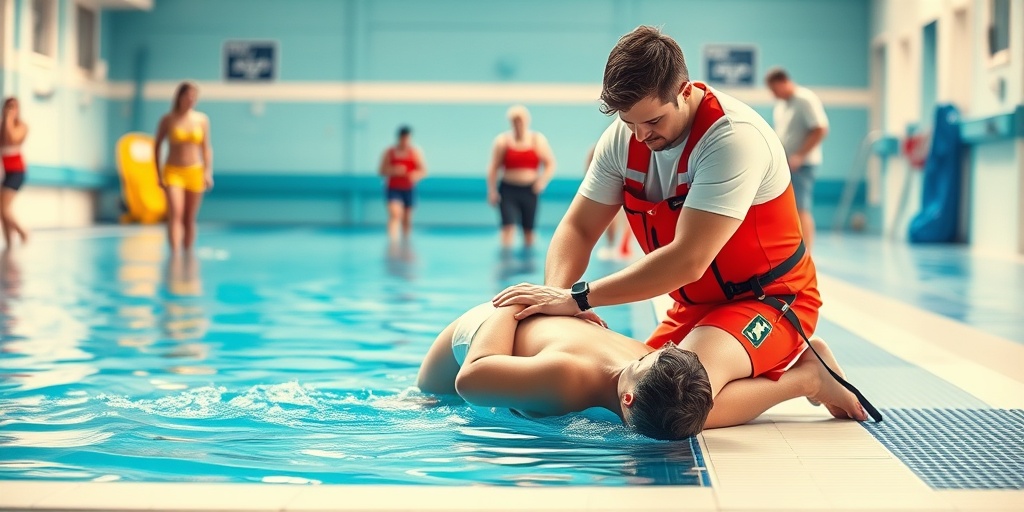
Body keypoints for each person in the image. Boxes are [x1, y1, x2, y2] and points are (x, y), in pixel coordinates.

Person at [491, 26, 875, 424]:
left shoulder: (732, 139)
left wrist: (580, 298)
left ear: (685, 90)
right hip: (692, 308)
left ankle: (807, 377)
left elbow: (689, 259)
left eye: (653, 120)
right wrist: (556, 300)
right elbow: (579, 229)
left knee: (670, 413)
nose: (641, 135)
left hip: (769, 300)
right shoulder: (624, 139)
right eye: (630, 122)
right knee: (621, 396)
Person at [417, 302, 864, 439]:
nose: (662, 345)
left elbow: (477, 382)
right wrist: (510, 306)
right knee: (425, 399)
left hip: (538, 327)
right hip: (481, 325)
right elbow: (467, 379)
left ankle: (807, 377)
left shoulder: (578, 377)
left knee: (690, 411)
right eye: (664, 349)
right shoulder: (569, 376)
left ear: (627, 398)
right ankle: (806, 377)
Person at [766, 68, 829, 251]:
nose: (773, 94)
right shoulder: (782, 105)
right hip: (786, 165)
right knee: (787, 209)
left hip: (803, 165)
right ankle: (793, 249)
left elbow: (820, 129)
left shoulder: (805, 99)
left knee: (802, 207)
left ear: (784, 82)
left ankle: (807, 252)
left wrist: (800, 155)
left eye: (774, 89)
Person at [154, 82, 213, 253]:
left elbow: (206, 148)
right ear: (179, 97)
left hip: (195, 171)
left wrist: (207, 172)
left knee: (189, 218)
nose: (190, 100)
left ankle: (188, 254)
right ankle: (175, 254)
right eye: (187, 96)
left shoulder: (202, 120)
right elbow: (156, 146)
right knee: (176, 214)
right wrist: (158, 173)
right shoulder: (168, 119)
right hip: (173, 171)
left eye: (194, 97)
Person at [487, 105, 556, 248]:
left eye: (521, 120)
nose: (518, 124)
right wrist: (492, 190)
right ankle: (506, 259)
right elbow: (493, 167)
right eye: (515, 121)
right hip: (508, 190)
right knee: (508, 228)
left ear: (527, 121)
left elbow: (550, 164)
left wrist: (542, 182)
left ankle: (528, 262)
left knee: (529, 231)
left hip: (529, 190)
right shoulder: (502, 141)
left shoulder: (537, 140)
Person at [379, 126, 427, 240]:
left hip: (409, 188)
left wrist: (415, 175)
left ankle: (406, 242)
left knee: (407, 219)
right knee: (395, 215)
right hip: (393, 188)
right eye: (403, 139)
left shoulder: (415, 152)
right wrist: (394, 170)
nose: (405, 141)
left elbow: (423, 171)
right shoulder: (389, 152)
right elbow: (381, 170)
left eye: (408, 139)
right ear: (399, 138)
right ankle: (392, 242)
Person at [586, 145, 631, 259]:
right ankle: (615, 245)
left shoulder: (599, 149)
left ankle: (621, 246)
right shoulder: (598, 149)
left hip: (621, 187)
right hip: (613, 187)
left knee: (623, 217)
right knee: (615, 217)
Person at [1, 97, 29, 248]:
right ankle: (9, 244)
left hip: (18, 172)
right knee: (2, 211)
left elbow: (12, 138)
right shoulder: (1, 127)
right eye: (8, 107)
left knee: (4, 209)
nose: (11, 109)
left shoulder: (22, 127)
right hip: (6, 172)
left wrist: (9, 119)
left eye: (14, 107)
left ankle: (23, 233)